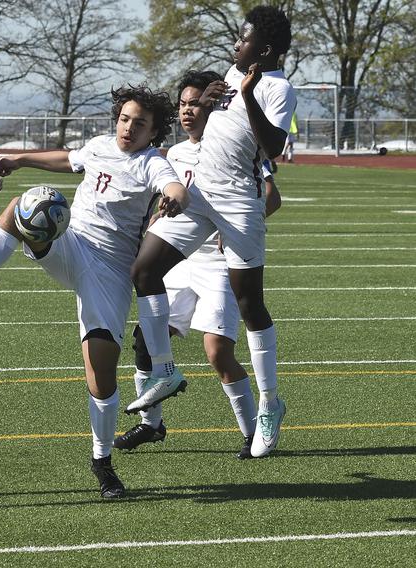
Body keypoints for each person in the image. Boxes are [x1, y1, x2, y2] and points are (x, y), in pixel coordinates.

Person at [0, 85, 189, 498]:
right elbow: (66, 159)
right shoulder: (101, 145)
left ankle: (102, 463)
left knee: (101, 369)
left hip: (110, 271)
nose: (128, 128)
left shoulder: (150, 163)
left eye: (140, 123)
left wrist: (174, 199)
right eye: (124, 118)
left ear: (154, 131)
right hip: (72, 245)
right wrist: (17, 159)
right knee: (21, 205)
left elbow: (173, 187)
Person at [129, 6, 295, 458]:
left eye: (242, 41)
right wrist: (208, 100)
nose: (234, 46)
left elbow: (274, 144)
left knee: (250, 303)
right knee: (144, 271)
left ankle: (269, 404)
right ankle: (164, 369)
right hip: (200, 194)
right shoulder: (233, 71)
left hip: (239, 203)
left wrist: (248, 94)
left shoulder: (278, 87)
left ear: (262, 49)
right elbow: (215, 128)